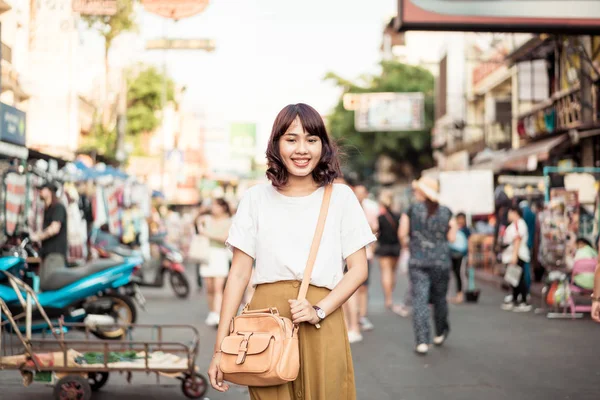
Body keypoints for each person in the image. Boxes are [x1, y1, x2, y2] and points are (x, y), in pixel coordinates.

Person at [208, 103, 376, 399]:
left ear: (323, 146)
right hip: (264, 323)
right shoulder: (255, 198)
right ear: (276, 145)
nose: (302, 149)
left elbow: (358, 269)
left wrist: (319, 309)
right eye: (291, 139)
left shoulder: (341, 197)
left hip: (321, 317)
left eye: (311, 140)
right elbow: (237, 275)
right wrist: (221, 345)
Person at [399, 176, 457, 355]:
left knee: (420, 300)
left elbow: (402, 234)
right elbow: (452, 237)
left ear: (423, 192)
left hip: (418, 262)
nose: (415, 193)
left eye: (417, 190)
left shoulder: (411, 210)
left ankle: (422, 340)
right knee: (440, 299)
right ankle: (440, 331)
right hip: (441, 262)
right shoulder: (446, 211)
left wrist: (411, 246)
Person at [197, 198, 233, 327]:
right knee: (209, 287)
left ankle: (217, 313)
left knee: (218, 287)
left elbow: (224, 238)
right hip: (206, 254)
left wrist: (206, 233)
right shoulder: (206, 219)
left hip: (220, 254)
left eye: (216, 206)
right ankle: (212, 312)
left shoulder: (229, 221)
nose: (214, 208)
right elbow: (196, 222)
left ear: (223, 207)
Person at [351, 184, 379, 333]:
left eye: (362, 193)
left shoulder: (371, 210)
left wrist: (372, 250)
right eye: (357, 193)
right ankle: (352, 317)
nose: (359, 195)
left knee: (363, 287)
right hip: (350, 254)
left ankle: (362, 315)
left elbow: (375, 231)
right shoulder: (348, 208)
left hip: (367, 253)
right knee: (351, 287)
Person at [375, 189, 405, 315]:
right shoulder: (398, 216)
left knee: (385, 273)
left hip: (384, 248)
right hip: (396, 247)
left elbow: (376, 232)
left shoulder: (380, 218)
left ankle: (388, 299)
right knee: (393, 273)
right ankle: (390, 294)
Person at [500, 205, 532, 312]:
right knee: (514, 279)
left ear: (514, 212)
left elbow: (517, 240)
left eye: (509, 213)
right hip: (512, 255)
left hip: (518, 255)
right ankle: (515, 299)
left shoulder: (520, 224)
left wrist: (514, 255)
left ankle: (523, 300)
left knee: (519, 279)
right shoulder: (514, 224)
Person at [31, 182, 68, 262]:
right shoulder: (47, 208)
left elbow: (54, 229)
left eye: (42, 189)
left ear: (49, 191)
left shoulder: (58, 207)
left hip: (55, 255)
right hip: (47, 254)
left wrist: (38, 237)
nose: (39, 191)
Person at [449, 212, 470, 304]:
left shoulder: (465, 230)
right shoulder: (453, 229)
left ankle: (461, 295)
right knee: (454, 274)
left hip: (462, 255)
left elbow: (470, 242)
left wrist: (471, 255)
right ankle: (457, 294)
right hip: (451, 254)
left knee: (460, 273)